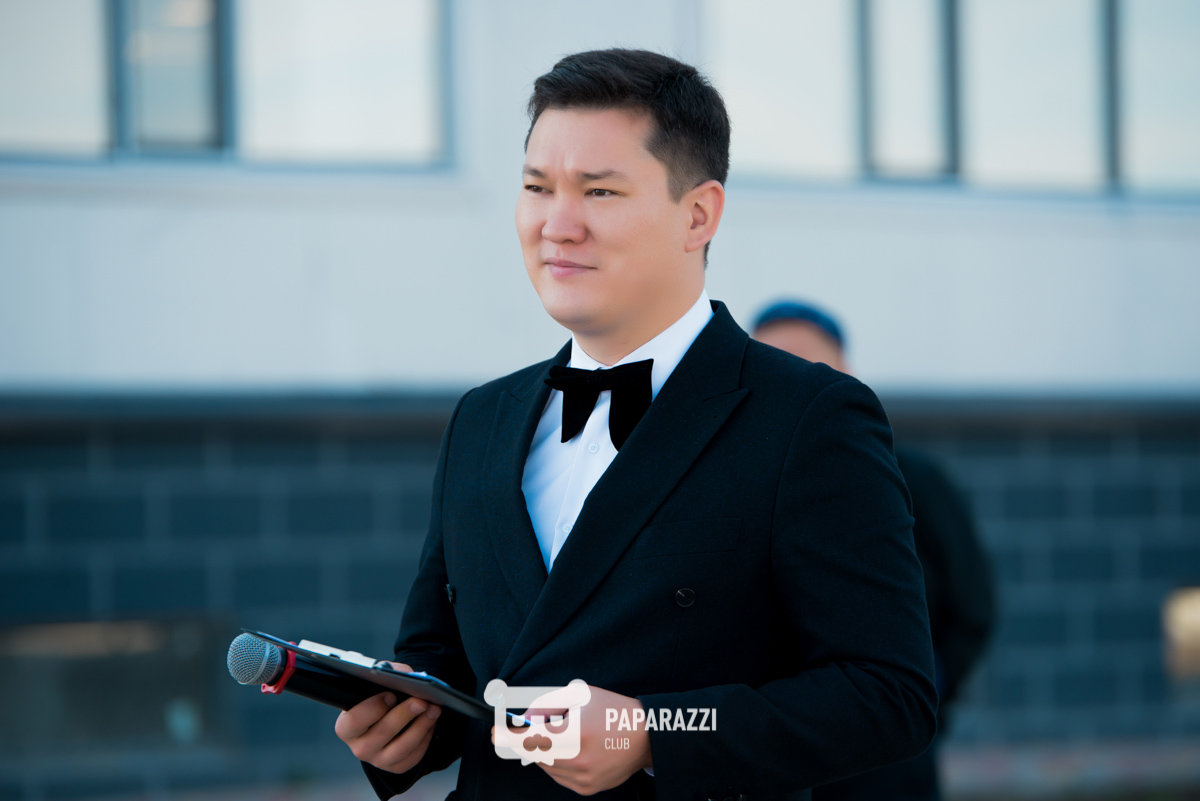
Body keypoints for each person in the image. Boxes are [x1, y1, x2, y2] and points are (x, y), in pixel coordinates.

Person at [334, 49, 937, 800]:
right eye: (536, 187)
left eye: (600, 191)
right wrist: (402, 729)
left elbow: (889, 694)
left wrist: (651, 731)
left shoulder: (808, 416)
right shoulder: (481, 418)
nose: (558, 224)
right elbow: (451, 669)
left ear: (698, 214)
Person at [753, 300, 996, 801]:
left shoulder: (911, 477)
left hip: (888, 763)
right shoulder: (735, 486)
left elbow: (973, 605)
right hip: (771, 758)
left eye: (806, 366)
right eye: (771, 368)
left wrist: (926, 691)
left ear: (846, 373)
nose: (787, 384)